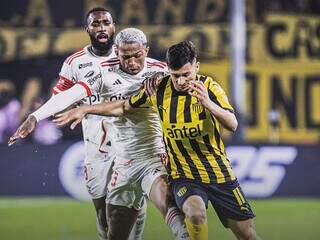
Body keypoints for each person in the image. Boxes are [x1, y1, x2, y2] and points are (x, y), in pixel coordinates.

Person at [54, 40, 259, 240]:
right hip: (184, 176)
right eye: (175, 75)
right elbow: (125, 106)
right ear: (168, 70)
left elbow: (232, 124)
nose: (180, 82)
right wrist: (85, 109)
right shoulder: (159, 88)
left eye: (186, 75)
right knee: (195, 214)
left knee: (247, 234)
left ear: (197, 67)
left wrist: (208, 104)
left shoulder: (210, 87)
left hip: (219, 174)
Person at [9, 28, 189, 240]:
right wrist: (35, 117)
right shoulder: (104, 73)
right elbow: (71, 94)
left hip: (152, 156)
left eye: (137, 56)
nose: (131, 62)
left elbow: (188, 85)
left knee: (166, 202)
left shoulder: (162, 72)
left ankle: (185, 235)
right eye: (125, 57)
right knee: (112, 229)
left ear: (146, 50)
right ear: (116, 51)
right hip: (123, 163)